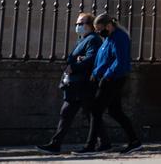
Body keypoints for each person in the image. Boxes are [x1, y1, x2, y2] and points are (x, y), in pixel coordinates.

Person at [36, 12, 102, 154]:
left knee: (76, 113)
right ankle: (103, 142)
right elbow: (77, 58)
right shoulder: (82, 39)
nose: (78, 26)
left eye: (81, 23)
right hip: (76, 84)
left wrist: (75, 65)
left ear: (90, 26)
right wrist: (77, 61)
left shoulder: (93, 39)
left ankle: (56, 145)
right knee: (86, 114)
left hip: (82, 84)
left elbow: (90, 59)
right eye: (77, 24)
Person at [83, 14, 143, 155]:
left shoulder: (119, 37)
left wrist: (106, 76)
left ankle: (91, 145)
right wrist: (96, 73)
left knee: (96, 110)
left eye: (100, 29)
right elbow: (103, 59)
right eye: (96, 30)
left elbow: (120, 61)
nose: (98, 32)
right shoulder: (109, 38)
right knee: (115, 111)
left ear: (109, 26)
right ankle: (134, 141)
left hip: (113, 79)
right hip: (107, 78)